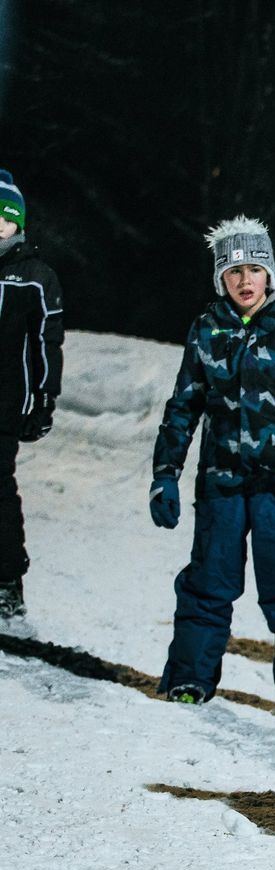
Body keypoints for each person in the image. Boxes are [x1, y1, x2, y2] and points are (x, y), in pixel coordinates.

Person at [149, 216, 275, 719]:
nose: (244, 280)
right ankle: (189, 678)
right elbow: (183, 407)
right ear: (221, 279)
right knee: (207, 583)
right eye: (233, 271)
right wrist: (165, 474)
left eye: (254, 269)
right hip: (222, 483)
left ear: (270, 273)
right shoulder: (207, 328)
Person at [0, 169, 65, 621]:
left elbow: (47, 342)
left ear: (18, 225)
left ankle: (7, 584)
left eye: (4, 221)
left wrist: (44, 399)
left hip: (6, 405)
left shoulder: (35, 278)